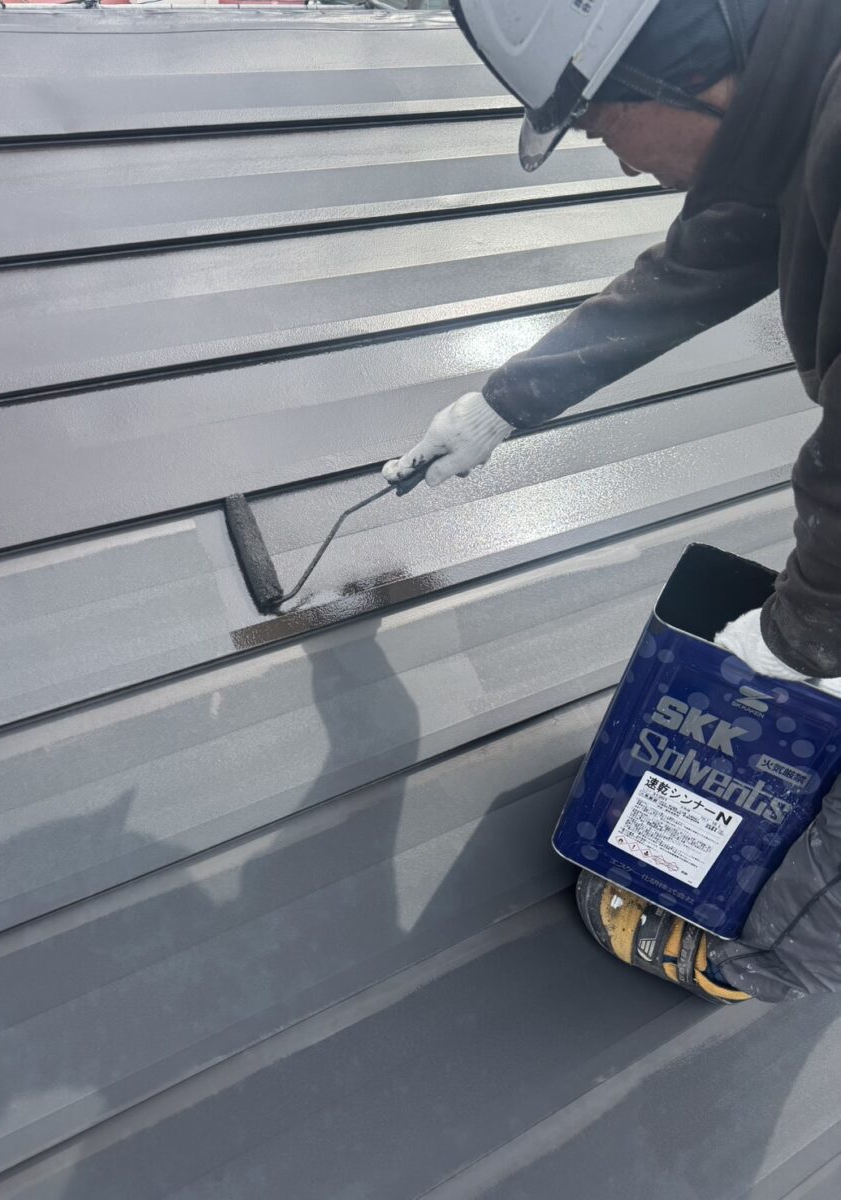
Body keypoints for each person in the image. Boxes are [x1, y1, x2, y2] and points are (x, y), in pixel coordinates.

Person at [383, 0, 841, 1004]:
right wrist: (504, 402)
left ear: (677, 73)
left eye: (600, 129)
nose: (623, 165)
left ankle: (763, 956)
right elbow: (715, 251)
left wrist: (805, 638)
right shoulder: (803, 100)